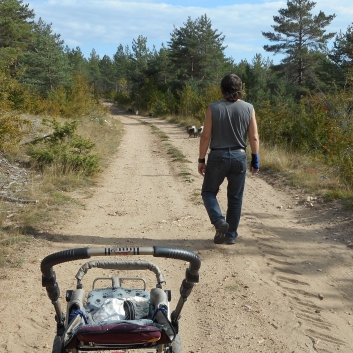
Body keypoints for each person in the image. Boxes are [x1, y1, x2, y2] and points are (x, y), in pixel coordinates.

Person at [198, 74, 260, 245]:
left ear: (222, 89)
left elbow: (205, 137)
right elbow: (254, 137)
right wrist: (255, 160)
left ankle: (219, 221)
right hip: (239, 156)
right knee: (235, 198)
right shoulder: (249, 108)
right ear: (240, 89)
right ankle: (231, 235)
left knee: (208, 192)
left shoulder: (213, 108)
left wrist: (201, 159)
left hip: (218, 156)